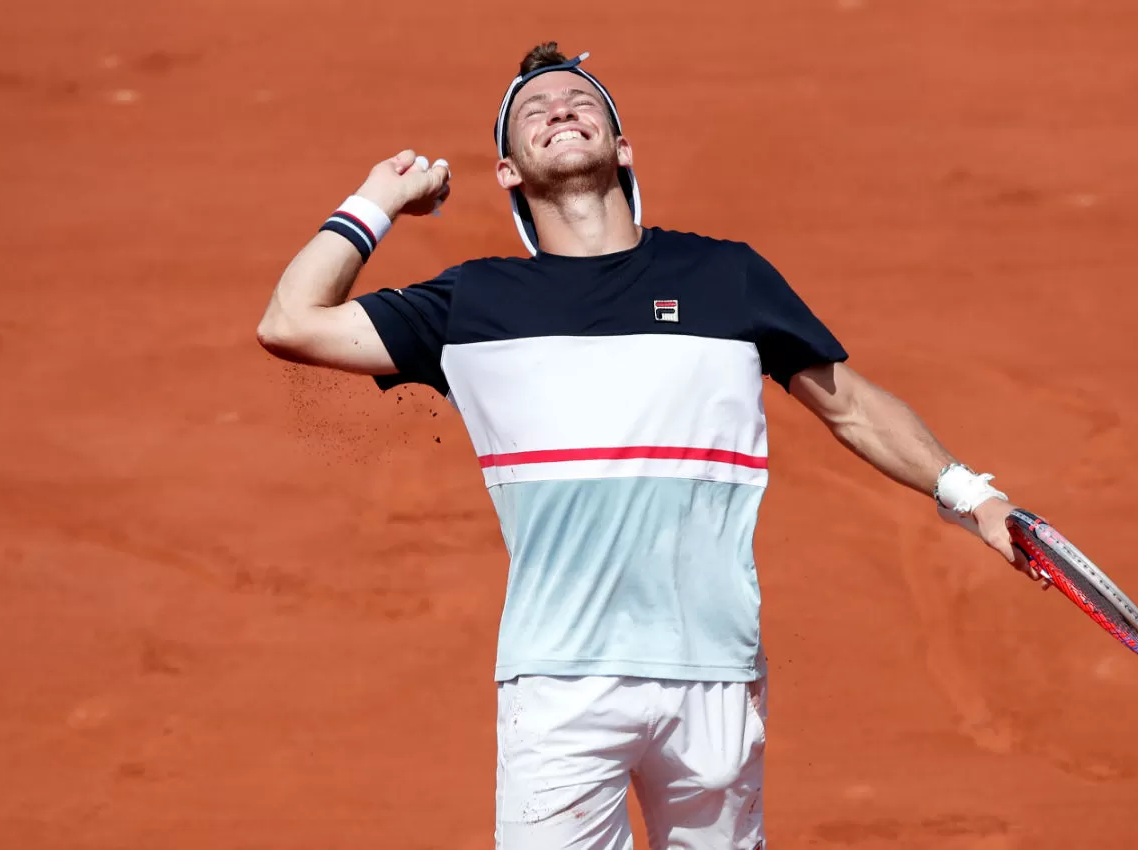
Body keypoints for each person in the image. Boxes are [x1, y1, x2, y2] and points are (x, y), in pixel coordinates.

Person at [256, 41, 1037, 850]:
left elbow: (852, 408)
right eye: (534, 111)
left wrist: (971, 494)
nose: (559, 110)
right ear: (508, 171)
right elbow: (290, 323)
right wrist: (378, 199)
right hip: (557, 684)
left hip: (716, 676)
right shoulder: (473, 303)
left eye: (580, 101)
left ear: (622, 147)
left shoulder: (725, 277)